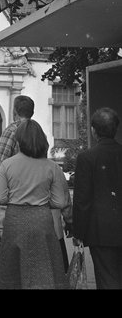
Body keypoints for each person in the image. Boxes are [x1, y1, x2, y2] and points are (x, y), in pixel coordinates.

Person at [0, 94, 70, 270]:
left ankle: (18, 263)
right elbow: (60, 201)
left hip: (15, 202)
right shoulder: (39, 134)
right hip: (41, 207)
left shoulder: (10, 133)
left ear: (14, 111)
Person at [73, 106, 122, 289]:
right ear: (115, 128)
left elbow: (82, 200)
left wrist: (78, 233)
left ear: (93, 130)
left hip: (101, 232)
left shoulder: (87, 158)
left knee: (108, 279)